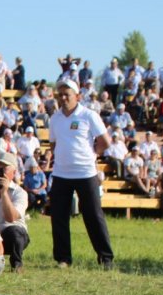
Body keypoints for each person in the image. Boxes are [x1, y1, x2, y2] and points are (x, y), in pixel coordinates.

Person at [48, 78, 114, 268]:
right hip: (61, 173)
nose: (63, 98)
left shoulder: (89, 115)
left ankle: (105, 257)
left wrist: (92, 153)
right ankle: (63, 258)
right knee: (59, 217)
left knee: (93, 216)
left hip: (85, 172)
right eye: (60, 94)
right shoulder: (55, 118)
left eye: (67, 94)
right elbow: (53, 143)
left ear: (77, 96)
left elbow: (105, 141)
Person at [0, 152, 29, 270]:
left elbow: (11, 218)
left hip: (10, 235)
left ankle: (17, 264)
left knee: (15, 232)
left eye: (4, 168)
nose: (0, 171)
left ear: (13, 173)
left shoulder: (20, 192)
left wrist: (4, 192)